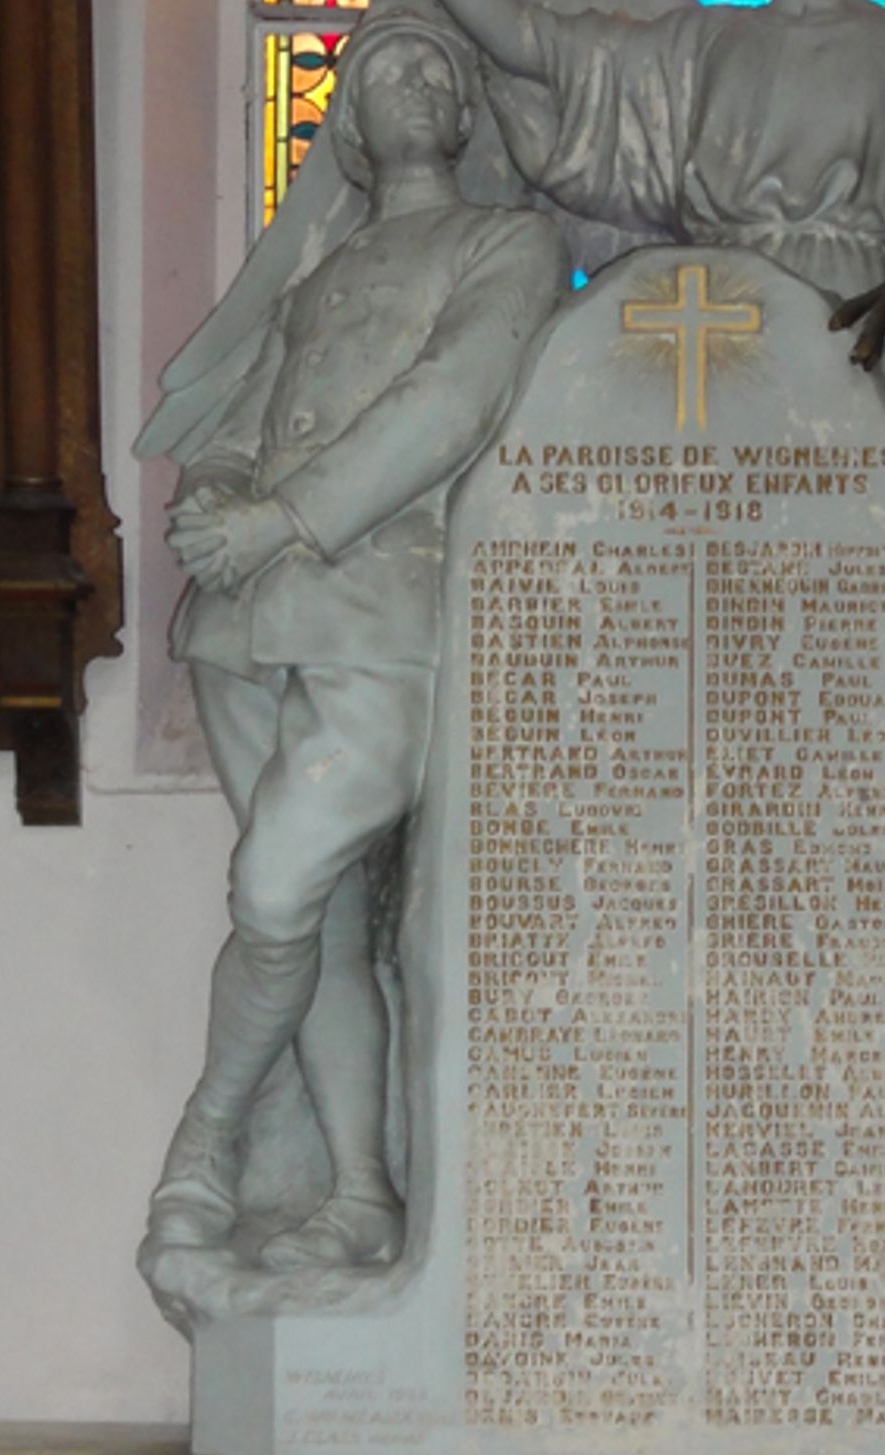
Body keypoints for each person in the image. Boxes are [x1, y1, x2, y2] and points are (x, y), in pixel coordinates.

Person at [427, 0, 885, 1310]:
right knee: (708, 700)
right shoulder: (697, 45)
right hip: (717, 366)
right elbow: (556, 63)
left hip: (871, 355)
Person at [140, 5, 567, 1281]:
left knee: (275, 887)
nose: (421, 81)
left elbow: (450, 400)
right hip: (242, 626)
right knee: (314, 920)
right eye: (390, 68)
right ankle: (363, 1192)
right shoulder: (319, 277)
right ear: (350, 128)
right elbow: (241, 416)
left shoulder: (508, 241)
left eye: (440, 66)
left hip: (385, 617)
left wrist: (282, 517)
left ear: (469, 111)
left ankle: (207, 1134)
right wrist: (218, 495)